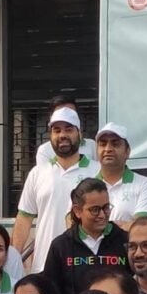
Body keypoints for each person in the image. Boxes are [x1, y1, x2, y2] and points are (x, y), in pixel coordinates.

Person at [12, 106, 102, 272]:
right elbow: (24, 217)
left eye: (68, 129)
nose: (62, 135)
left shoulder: (97, 171)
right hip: (44, 267)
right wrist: (13, 259)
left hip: (85, 266)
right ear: (51, 136)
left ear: (79, 133)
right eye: (57, 130)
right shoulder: (38, 173)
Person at [41, 177, 129, 294]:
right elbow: (51, 293)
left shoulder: (125, 241)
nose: (102, 215)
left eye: (106, 208)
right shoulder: (61, 245)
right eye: (95, 210)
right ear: (78, 211)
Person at [95, 122, 147, 228]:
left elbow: (140, 226)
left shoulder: (145, 184)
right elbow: (74, 223)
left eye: (115, 144)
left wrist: (98, 228)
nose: (108, 149)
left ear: (127, 152)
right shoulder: (84, 185)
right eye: (103, 144)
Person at [35, 94, 97, 166]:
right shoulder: (44, 151)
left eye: (70, 113)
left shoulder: (92, 145)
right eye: (60, 113)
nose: (65, 117)